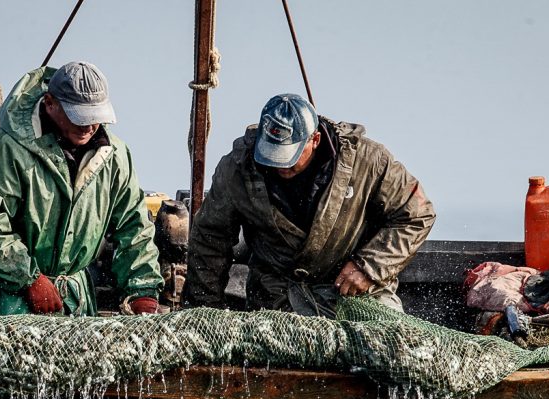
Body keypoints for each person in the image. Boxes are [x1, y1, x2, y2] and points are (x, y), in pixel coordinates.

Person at [186, 93, 436, 317]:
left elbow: (417, 215)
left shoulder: (369, 162)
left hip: (357, 294)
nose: (280, 166)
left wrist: (369, 267)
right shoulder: (237, 169)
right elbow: (210, 238)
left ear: (315, 139)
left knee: (391, 345)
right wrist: (206, 311)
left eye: (288, 157)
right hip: (276, 300)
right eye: (271, 155)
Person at [0, 61, 162, 322]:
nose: (89, 126)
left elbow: (134, 227)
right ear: (50, 103)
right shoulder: (3, 150)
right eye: (79, 116)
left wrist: (142, 291)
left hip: (74, 303)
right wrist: (28, 278)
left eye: (95, 117)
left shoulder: (115, 157)